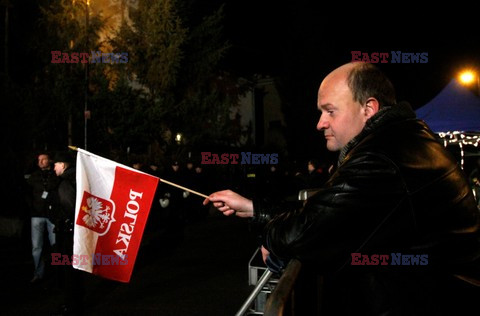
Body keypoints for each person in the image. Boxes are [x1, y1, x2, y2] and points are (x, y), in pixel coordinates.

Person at [204, 62, 480, 315]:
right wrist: (256, 209)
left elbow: (302, 233)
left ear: (368, 109)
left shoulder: (381, 158)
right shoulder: (400, 141)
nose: (320, 123)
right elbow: (329, 211)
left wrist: (273, 239)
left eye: (330, 111)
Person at [51, 150, 84, 315]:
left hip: (67, 232)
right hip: (73, 231)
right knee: (73, 268)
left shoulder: (65, 183)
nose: (54, 168)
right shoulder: (76, 178)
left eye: (55, 165)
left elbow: (69, 207)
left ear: (62, 165)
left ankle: (71, 304)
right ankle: (75, 300)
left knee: (67, 268)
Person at [26, 151, 60, 283]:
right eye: (38, 160)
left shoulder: (55, 175)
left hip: (52, 215)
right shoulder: (34, 176)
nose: (40, 162)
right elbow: (27, 193)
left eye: (43, 159)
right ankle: (38, 273)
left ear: (50, 161)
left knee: (55, 244)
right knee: (36, 246)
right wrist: (32, 207)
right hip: (37, 214)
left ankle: (58, 273)